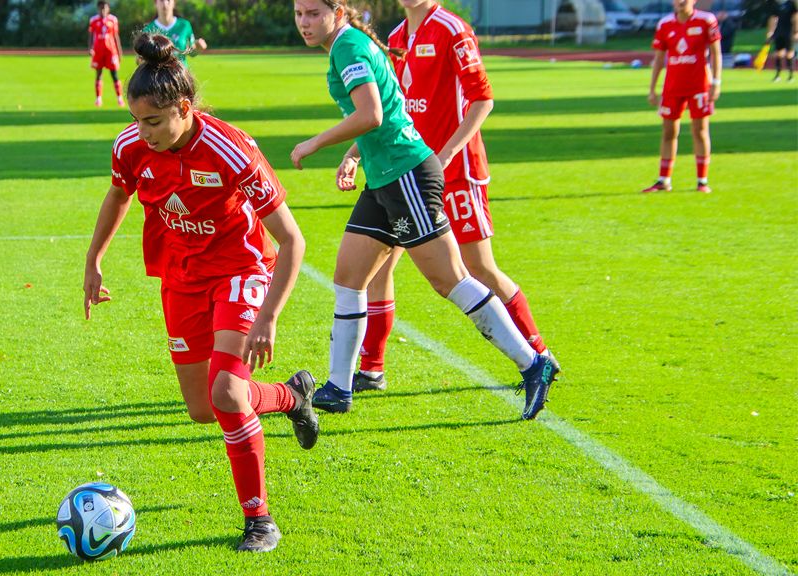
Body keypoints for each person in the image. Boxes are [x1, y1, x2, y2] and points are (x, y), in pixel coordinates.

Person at [83, 33, 318, 553]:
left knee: (227, 393)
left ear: (184, 108)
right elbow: (119, 192)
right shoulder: (130, 147)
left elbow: (291, 239)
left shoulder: (230, 148)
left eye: (154, 122)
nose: (142, 134)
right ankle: (290, 396)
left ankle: (259, 519)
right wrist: (93, 260)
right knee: (202, 407)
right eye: (136, 121)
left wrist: (269, 317)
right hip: (181, 278)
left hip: (241, 268)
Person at [290, 0, 558, 419]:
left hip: (407, 175)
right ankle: (339, 388)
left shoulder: (348, 46)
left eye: (313, 13)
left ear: (338, 12)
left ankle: (534, 363)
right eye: (298, 13)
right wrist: (354, 156)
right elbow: (390, 107)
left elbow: (372, 114)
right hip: (385, 179)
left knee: (451, 279)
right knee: (348, 275)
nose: (304, 23)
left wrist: (314, 143)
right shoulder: (350, 43)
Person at [642, 0, 721, 194]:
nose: (680, 1)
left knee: (700, 130)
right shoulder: (665, 24)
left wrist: (716, 83)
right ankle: (664, 180)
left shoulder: (706, 21)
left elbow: (715, 52)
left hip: (699, 85)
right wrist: (652, 88)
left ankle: (702, 181)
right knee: (668, 131)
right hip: (672, 87)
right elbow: (659, 58)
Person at [141, 0, 207, 65]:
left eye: (168, 0)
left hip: (180, 74)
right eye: (161, 0)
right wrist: (141, 59)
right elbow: (142, 59)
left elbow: (191, 53)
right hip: (158, 75)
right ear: (155, 3)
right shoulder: (148, 30)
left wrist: (198, 48)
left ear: (174, 3)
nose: (165, 3)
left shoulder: (184, 25)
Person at [88, 0, 124, 106]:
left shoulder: (113, 20)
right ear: (98, 8)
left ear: (108, 8)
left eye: (105, 7)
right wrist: (90, 48)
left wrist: (119, 51)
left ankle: (119, 98)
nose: (103, 10)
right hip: (98, 51)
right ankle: (98, 98)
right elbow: (91, 36)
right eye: (101, 8)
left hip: (111, 51)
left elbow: (116, 36)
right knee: (98, 74)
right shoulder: (93, 20)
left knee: (114, 75)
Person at [767, 0, 798, 82]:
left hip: (789, 32)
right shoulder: (775, 4)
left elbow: (795, 17)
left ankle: (791, 75)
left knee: (789, 54)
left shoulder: (791, 4)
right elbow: (773, 18)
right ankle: (777, 75)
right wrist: (770, 31)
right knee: (778, 54)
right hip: (779, 32)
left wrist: (796, 31)